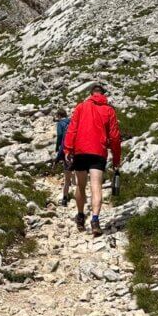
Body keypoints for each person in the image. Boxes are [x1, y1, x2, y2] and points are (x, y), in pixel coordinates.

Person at [63, 83, 122, 236]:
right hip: (98, 152)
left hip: (80, 151)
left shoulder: (81, 107)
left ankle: (81, 215)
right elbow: (115, 137)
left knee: (81, 185)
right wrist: (116, 159)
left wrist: (68, 149)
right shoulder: (109, 110)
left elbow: (72, 129)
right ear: (103, 95)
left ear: (90, 94)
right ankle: (95, 220)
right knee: (96, 186)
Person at [54, 108, 73, 204]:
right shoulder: (72, 122)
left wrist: (57, 148)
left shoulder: (60, 124)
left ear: (59, 116)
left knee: (66, 178)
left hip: (66, 150)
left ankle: (65, 198)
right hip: (77, 150)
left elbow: (60, 136)